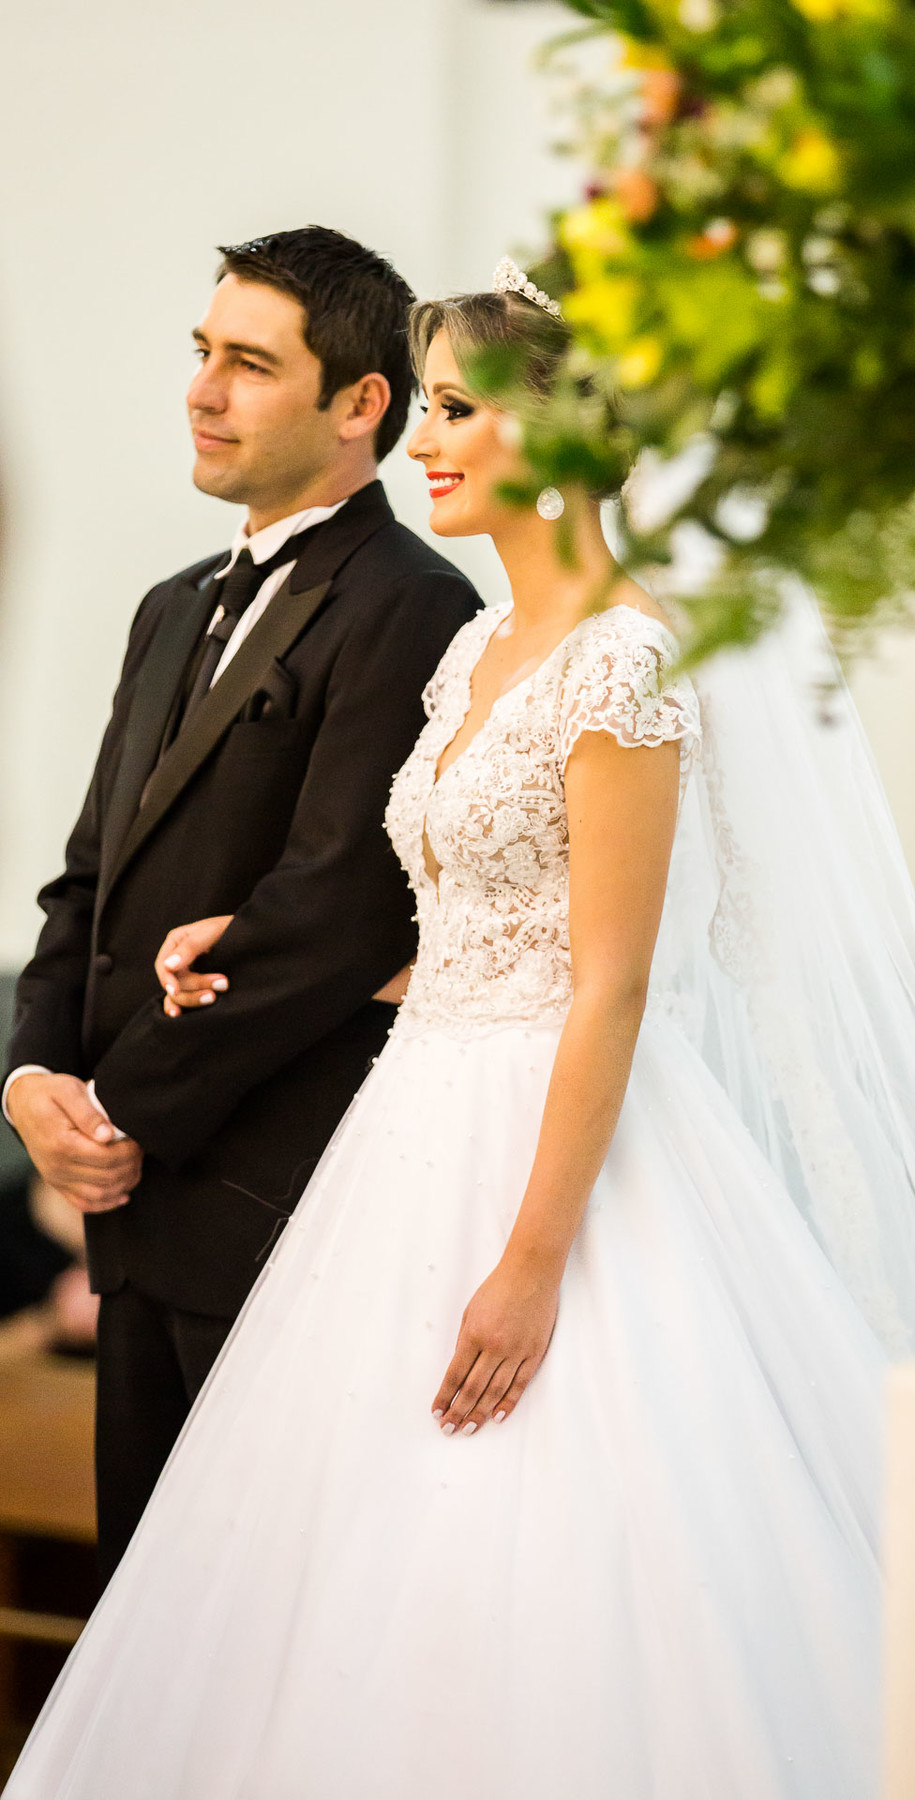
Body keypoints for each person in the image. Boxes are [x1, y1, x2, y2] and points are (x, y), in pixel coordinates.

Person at [2, 266, 915, 1800]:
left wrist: (529, 1262)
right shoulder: (476, 653)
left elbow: (614, 985)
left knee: (562, 1538)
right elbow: (448, 934)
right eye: (428, 406)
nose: (427, 440)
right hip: (410, 1125)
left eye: (455, 407)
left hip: (554, 1150)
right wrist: (227, 947)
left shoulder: (625, 662)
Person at [1, 227, 479, 1581]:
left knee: (254, 1614)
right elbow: (86, 880)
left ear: (359, 405)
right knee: (135, 1615)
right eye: (203, 356)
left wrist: (123, 1113)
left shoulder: (412, 604)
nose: (203, 390)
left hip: (273, 1198)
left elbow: (334, 912)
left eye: (250, 364)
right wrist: (35, 1071)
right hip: (132, 1217)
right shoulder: (166, 610)